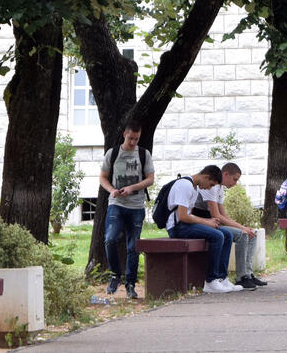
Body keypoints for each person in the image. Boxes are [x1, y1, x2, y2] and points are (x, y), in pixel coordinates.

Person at [99, 119, 155, 299]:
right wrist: (112, 190)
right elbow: (103, 177)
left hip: (136, 206)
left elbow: (150, 179)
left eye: (136, 139)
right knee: (110, 238)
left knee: (133, 247)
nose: (133, 142)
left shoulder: (143, 154)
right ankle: (115, 274)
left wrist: (132, 188)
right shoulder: (113, 153)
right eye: (130, 138)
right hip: (116, 204)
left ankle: (130, 284)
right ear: (124, 134)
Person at [191, 161, 267, 290]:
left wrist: (244, 227)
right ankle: (240, 277)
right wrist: (242, 229)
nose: (235, 183)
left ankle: (248, 274)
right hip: (204, 222)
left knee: (251, 234)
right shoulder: (212, 187)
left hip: (213, 223)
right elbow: (217, 215)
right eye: (234, 179)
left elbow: (223, 216)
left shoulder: (219, 188)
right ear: (225, 174)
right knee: (242, 235)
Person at [166, 165, 241, 293]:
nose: (209, 188)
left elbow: (188, 215)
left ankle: (221, 278)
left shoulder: (194, 188)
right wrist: (205, 222)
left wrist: (207, 222)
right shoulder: (185, 185)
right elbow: (183, 216)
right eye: (211, 184)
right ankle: (210, 281)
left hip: (186, 224)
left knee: (227, 235)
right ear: (206, 177)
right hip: (177, 227)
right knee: (217, 236)